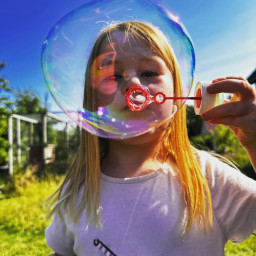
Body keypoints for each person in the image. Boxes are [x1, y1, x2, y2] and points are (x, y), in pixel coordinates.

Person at [45, 21, 256, 256]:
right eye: (113, 77)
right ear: (93, 102)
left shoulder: (206, 177)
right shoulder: (79, 189)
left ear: (177, 93)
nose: (134, 84)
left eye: (149, 73)